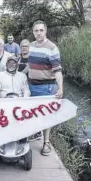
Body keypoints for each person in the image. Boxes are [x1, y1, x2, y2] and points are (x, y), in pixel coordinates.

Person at [28, 20, 63, 156]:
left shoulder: (52, 48)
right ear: (33, 32)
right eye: (36, 30)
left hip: (47, 87)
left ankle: (46, 142)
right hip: (31, 86)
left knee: (46, 115)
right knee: (32, 113)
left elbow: (58, 70)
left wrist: (60, 87)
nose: (39, 33)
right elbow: (29, 66)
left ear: (46, 31)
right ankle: (35, 133)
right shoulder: (30, 46)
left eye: (41, 30)